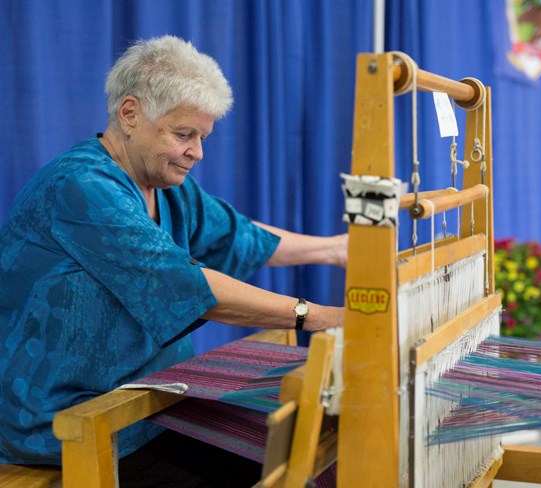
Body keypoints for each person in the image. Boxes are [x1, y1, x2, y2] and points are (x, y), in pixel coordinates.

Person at [0, 35, 345, 486]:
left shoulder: (167, 187)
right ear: (130, 114)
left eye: (202, 137)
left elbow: (240, 236)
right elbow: (185, 285)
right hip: (72, 422)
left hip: (153, 402)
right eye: (184, 134)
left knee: (308, 454)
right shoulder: (81, 187)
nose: (197, 152)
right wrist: (315, 315)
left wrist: (334, 249)